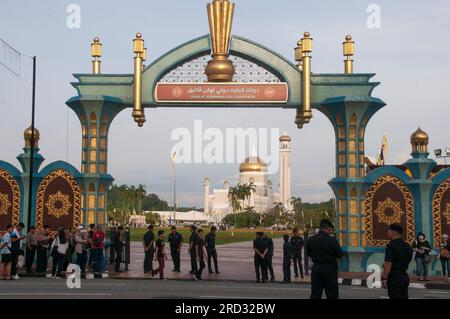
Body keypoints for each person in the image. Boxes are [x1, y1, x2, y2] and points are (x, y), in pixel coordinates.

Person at [307, 219, 344, 299]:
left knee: (315, 294)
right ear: (329, 228)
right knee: (332, 294)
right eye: (331, 228)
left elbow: (308, 254)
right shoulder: (331, 240)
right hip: (329, 269)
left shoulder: (311, 239)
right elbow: (340, 255)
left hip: (316, 268)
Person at [382, 223, 413, 299]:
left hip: (394, 277)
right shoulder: (407, 246)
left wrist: (384, 278)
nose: (387, 233)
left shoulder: (391, 246)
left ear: (393, 232)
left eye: (388, 231)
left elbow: (388, 263)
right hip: (404, 275)